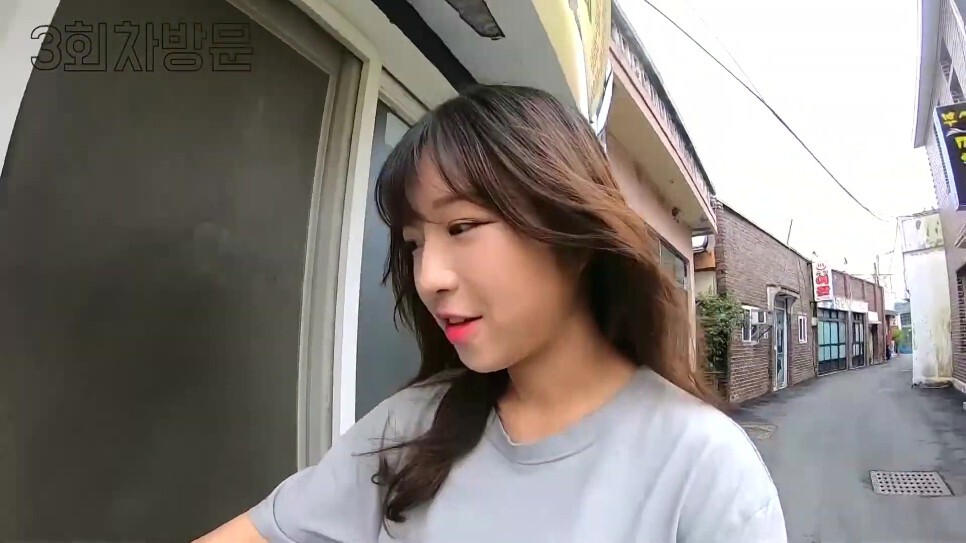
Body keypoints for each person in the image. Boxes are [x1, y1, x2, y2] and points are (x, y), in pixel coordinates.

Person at [194, 84, 787, 542]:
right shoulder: (410, 426)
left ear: (573, 236)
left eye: (461, 227)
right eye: (414, 243)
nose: (428, 277)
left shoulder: (703, 466)